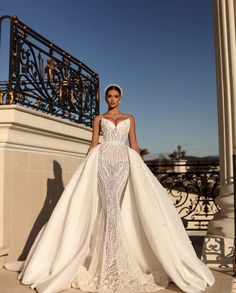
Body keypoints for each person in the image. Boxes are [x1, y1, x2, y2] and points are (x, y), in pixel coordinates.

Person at [4, 84, 215, 293]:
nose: (112, 99)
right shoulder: (98, 119)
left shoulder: (130, 118)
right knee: (108, 206)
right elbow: (94, 143)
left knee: (116, 205)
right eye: (109, 96)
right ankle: (107, 258)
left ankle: (115, 257)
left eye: (115, 96)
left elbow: (134, 145)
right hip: (102, 161)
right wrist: (87, 167)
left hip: (123, 162)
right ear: (106, 99)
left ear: (120, 98)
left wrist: (141, 170)